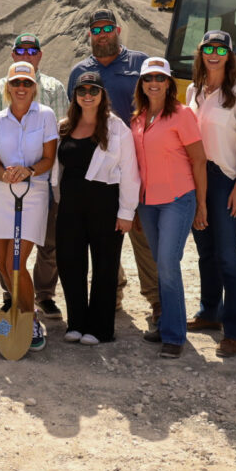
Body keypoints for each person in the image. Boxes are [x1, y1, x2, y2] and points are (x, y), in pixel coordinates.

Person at [67, 9, 157, 327]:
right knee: (105, 236)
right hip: (97, 171)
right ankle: (112, 293)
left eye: (107, 28)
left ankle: (156, 301)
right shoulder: (80, 70)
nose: (102, 34)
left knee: (141, 233)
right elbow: (75, 117)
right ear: (89, 34)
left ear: (118, 30)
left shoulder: (139, 63)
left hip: (138, 162)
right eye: (96, 30)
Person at [0, 33, 69, 320]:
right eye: (16, 83)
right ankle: (16, 308)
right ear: (8, 87)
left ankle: (31, 312)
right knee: (6, 265)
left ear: (34, 86)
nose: (21, 87)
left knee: (20, 260)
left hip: (35, 191)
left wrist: (28, 171)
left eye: (27, 83)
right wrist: (4, 174)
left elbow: (51, 152)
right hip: (1, 193)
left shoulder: (46, 111)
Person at [51, 71, 139, 346]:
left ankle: (100, 328)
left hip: (105, 202)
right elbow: (57, 167)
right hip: (70, 204)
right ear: (75, 96)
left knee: (105, 265)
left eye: (93, 90)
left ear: (102, 95)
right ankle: (77, 322)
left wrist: (126, 213)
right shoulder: (64, 126)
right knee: (70, 262)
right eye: (82, 91)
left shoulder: (117, 128)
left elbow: (130, 172)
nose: (87, 96)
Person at [185, 30, 236, 358]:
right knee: (206, 252)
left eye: (220, 49)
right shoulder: (194, 90)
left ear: (229, 55)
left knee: (228, 256)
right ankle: (209, 312)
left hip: (227, 178)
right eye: (208, 49)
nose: (214, 54)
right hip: (196, 178)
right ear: (200, 53)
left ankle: (235, 329)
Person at [131, 59, 208, 358]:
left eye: (159, 78)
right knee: (159, 264)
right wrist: (136, 207)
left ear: (168, 83)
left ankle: (174, 335)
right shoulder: (137, 120)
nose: (154, 83)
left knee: (167, 264)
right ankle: (165, 324)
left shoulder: (182, 115)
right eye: (148, 77)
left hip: (178, 199)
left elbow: (198, 160)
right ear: (142, 83)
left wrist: (201, 204)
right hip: (148, 203)